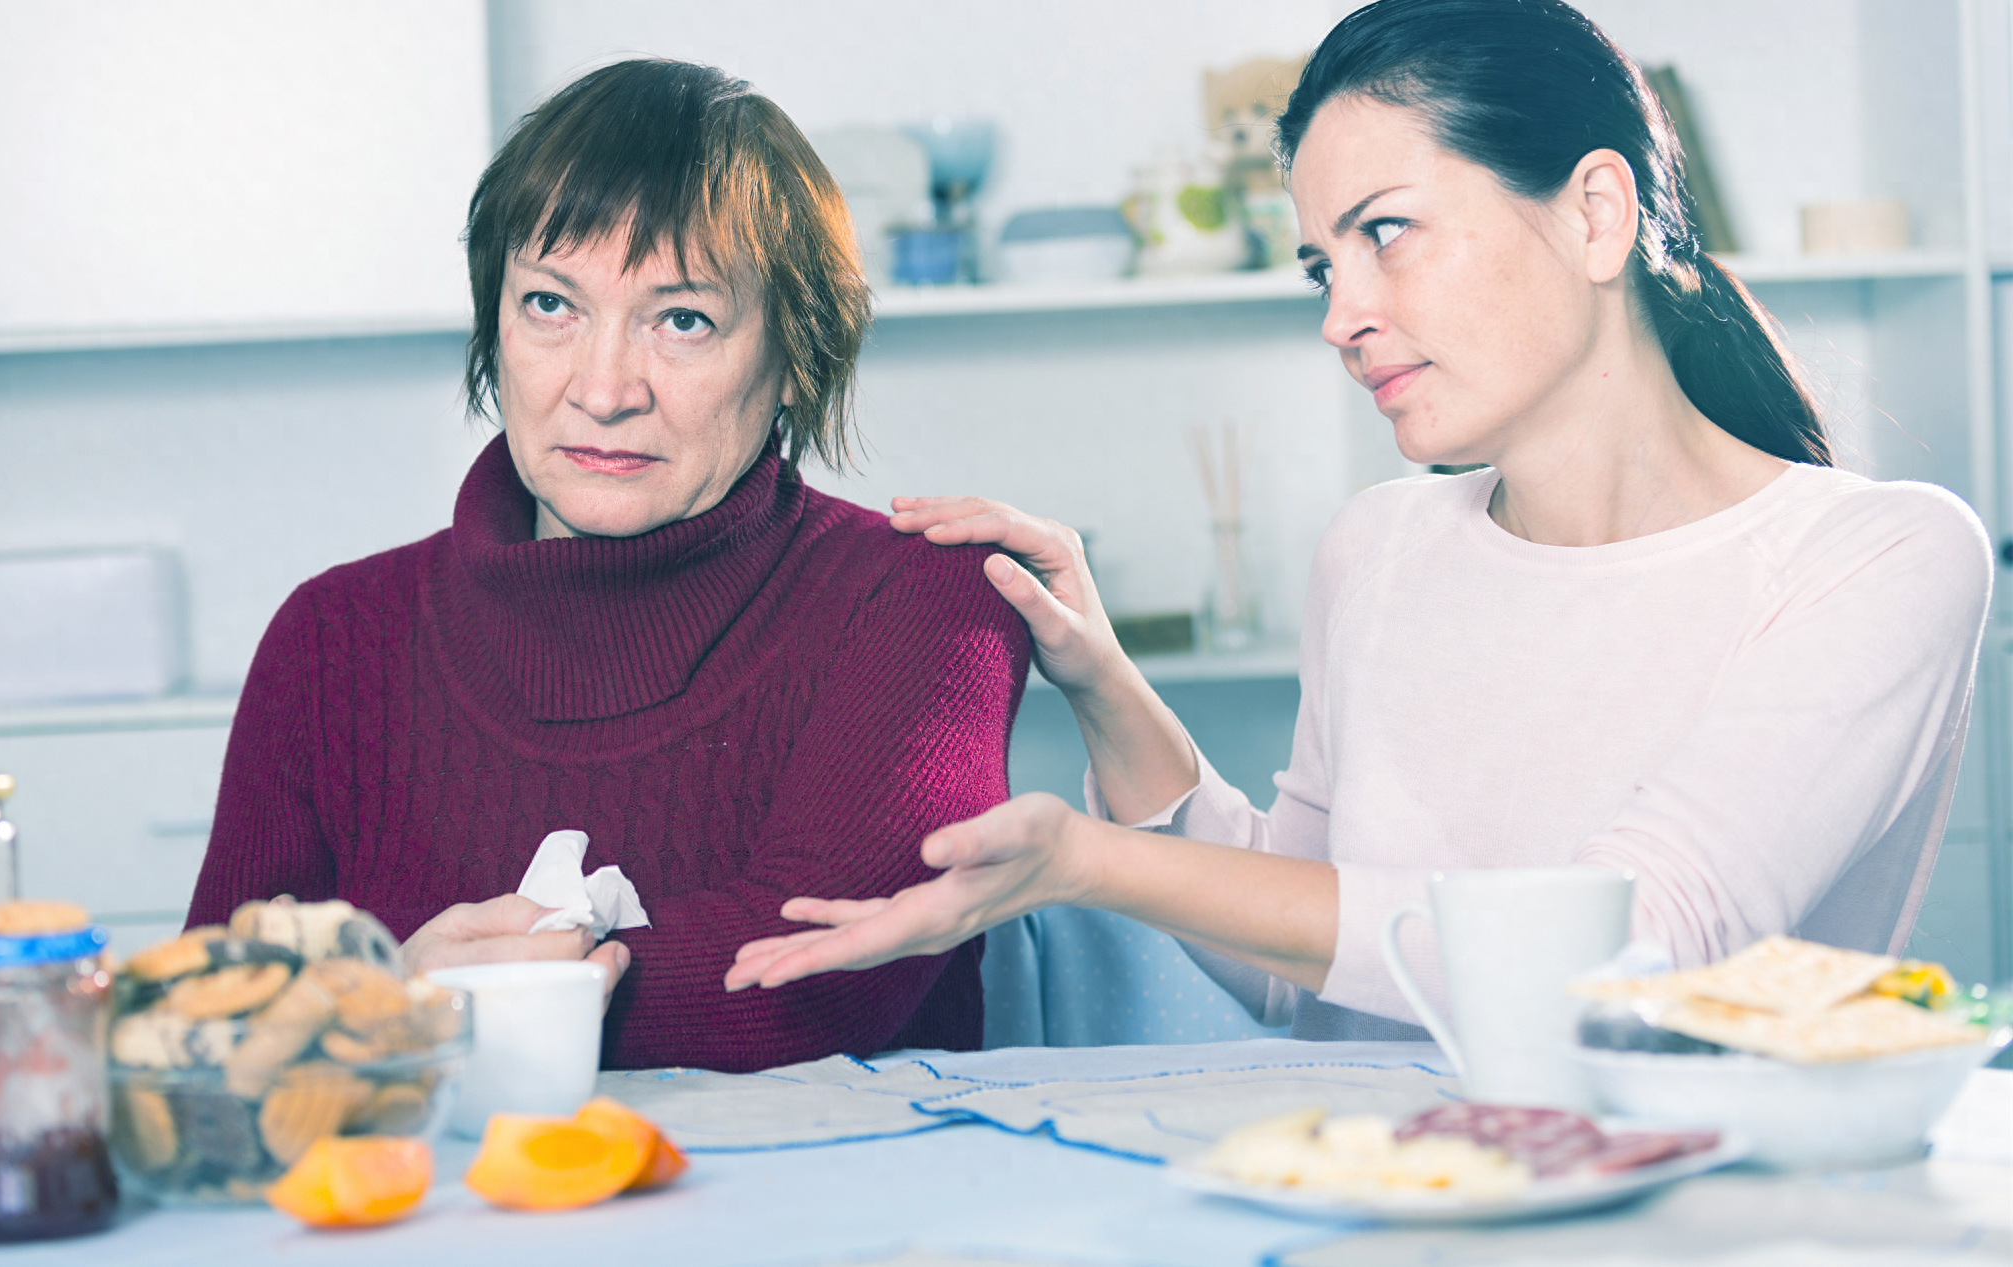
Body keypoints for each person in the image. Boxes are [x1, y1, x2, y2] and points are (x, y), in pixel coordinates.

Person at [727, 0, 1992, 1041]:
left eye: (1387, 233)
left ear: (1597, 212)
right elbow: (1301, 961)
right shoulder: (1378, 548)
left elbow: (1630, 950)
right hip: (1368, 1203)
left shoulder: (1877, 557)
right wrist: (1102, 681)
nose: (1341, 315)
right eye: (1323, 265)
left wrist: (1088, 862)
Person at [186, 59, 1030, 1071]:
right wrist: (389, 993)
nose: (602, 387)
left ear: (798, 356)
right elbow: (210, 1023)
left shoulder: (925, 599)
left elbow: (806, 987)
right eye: (551, 304)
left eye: (683, 320)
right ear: (491, 322)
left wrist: (403, 1012)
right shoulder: (331, 634)